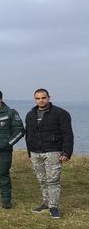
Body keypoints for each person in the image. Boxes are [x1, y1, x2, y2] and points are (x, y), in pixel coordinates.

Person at [25, 89, 73, 219]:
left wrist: (67, 152)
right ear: (35, 99)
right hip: (35, 152)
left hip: (53, 151)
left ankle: (54, 207)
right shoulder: (30, 114)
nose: (41, 100)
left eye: (43, 97)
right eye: (38, 98)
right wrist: (30, 153)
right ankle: (45, 204)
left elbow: (68, 134)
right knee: (42, 180)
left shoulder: (61, 113)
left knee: (53, 180)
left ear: (49, 97)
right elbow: (28, 134)